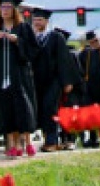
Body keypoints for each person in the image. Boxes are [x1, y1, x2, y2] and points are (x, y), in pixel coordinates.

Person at [0, 0, 38, 158]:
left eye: (8, 7)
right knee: (6, 108)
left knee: (23, 108)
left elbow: (34, 51)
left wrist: (18, 41)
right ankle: (13, 144)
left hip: (20, 76)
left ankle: (28, 143)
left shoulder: (23, 28)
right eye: (2, 7)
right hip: (2, 77)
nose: (5, 10)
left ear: (14, 10)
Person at [30, 8, 77, 152]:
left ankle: (52, 141)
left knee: (50, 108)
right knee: (40, 110)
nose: (37, 22)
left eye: (40, 20)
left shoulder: (56, 37)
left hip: (53, 80)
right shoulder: (31, 38)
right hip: (36, 81)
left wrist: (67, 82)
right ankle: (47, 139)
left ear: (46, 21)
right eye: (35, 20)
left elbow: (64, 60)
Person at [54, 27, 82, 150]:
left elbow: (77, 74)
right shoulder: (51, 53)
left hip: (69, 92)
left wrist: (69, 84)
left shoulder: (71, 55)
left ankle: (70, 139)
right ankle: (61, 139)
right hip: (56, 90)